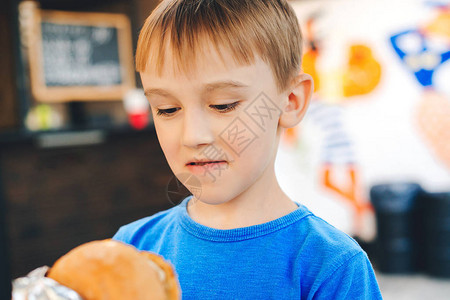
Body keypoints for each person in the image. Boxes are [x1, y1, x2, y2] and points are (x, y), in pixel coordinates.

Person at [113, 0, 382, 298]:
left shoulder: (331, 267)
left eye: (223, 105)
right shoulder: (129, 250)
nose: (193, 136)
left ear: (290, 101)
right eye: (167, 109)